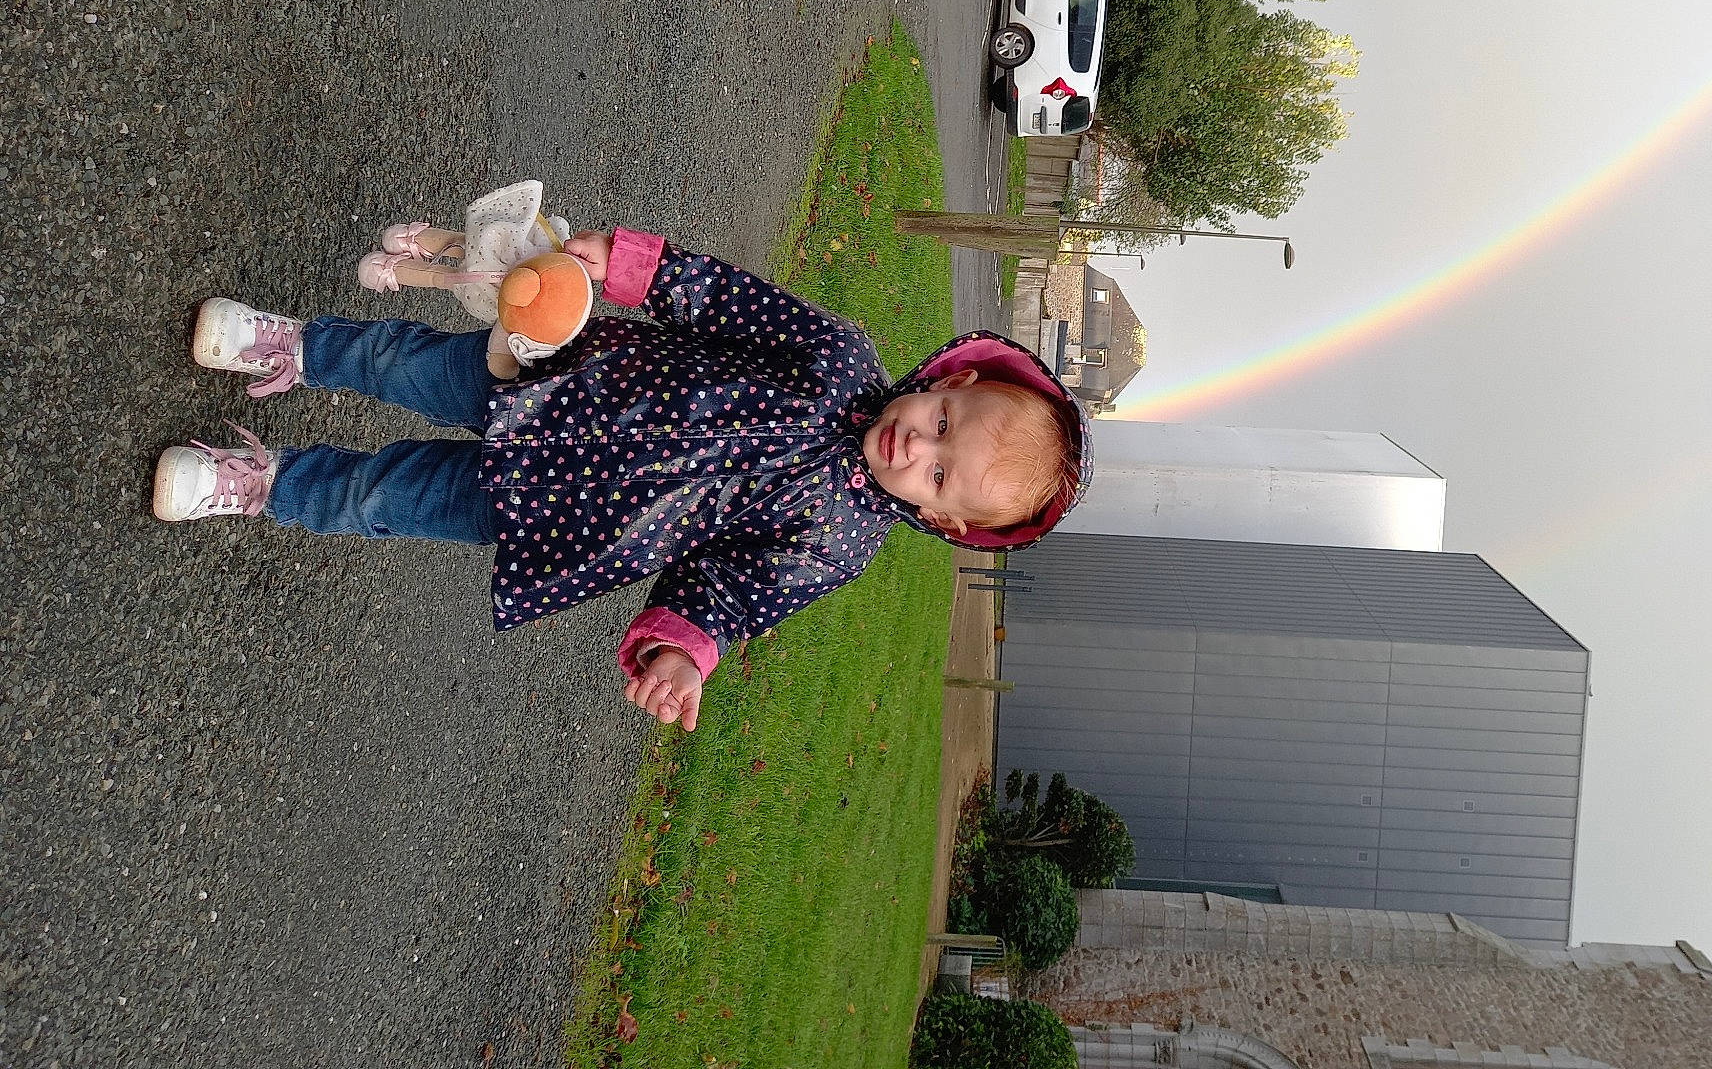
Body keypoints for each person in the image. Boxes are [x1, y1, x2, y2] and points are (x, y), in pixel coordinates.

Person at [153, 225, 1090, 731]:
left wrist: (686, 651)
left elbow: (732, 591)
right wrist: (638, 269)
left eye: (936, 475)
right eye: (940, 425)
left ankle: (261, 483)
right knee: (409, 364)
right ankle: (292, 345)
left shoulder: (838, 541)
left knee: (387, 499)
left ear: (945, 521)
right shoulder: (839, 355)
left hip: (568, 516)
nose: (913, 449)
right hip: (565, 374)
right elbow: (733, 302)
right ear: (953, 379)